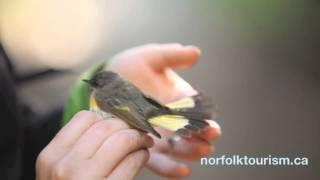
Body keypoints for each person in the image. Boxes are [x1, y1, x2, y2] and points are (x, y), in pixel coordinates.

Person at [0, 1, 221, 179]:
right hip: (146, 111)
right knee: (161, 115)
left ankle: (182, 117)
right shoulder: (112, 90)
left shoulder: (103, 96)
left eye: (94, 86)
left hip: (144, 113)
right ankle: (182, 116)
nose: (93, 88)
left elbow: (14, 136)